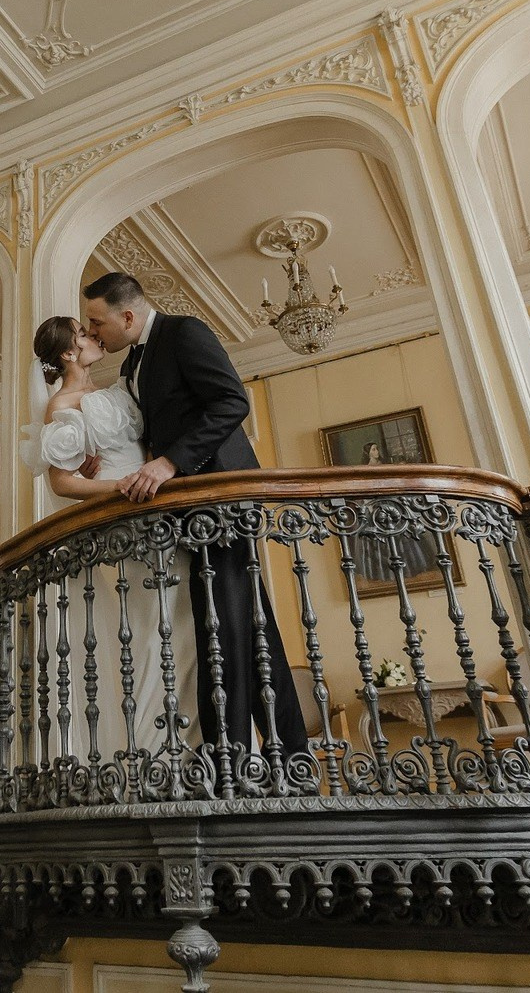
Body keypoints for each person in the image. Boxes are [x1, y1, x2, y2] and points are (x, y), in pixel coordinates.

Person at [80, 271, 310, 767]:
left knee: (224, 623)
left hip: (219, 496)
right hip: (188, 507)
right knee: (248, 624)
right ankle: (288, 755)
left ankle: (226, 757)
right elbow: (154, 425)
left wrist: (170, 463)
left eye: (97, 321)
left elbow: (232, 401)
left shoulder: (184, 332)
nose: (94, 331)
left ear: (127, 315)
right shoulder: (134, 362)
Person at [24, 314, 198, 749]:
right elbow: (63, 483)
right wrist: (123, 486)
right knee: (150, 624)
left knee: (185, 622)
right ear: (68, 353)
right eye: (83, 334)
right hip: (129, 518)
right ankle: (150, 749)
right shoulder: (61, 406)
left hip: (163, 508)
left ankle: (192, 743)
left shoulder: (114, 388)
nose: (92, 335)